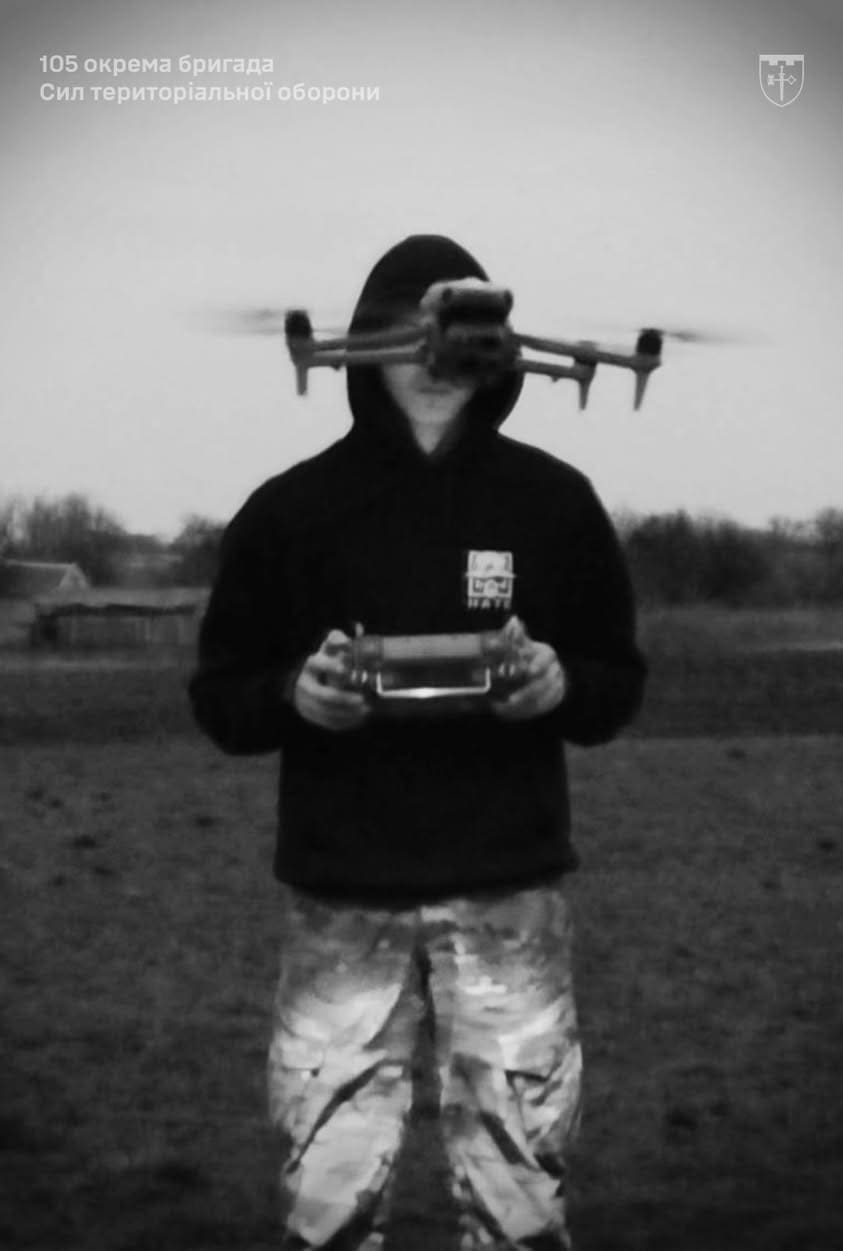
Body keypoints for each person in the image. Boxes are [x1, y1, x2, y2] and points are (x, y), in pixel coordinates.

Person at [189, 234, 647, 1251]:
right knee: (329, 1194)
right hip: (343, 898)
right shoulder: (290, 511)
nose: (436, 354)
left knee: (520, 1195)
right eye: (411, 327)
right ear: (369, 342)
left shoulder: (554, 503)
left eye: (460, 331)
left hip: (508, 891)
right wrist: (295, 694)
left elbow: (618, 681)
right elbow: (220, 695)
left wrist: (560, 686)